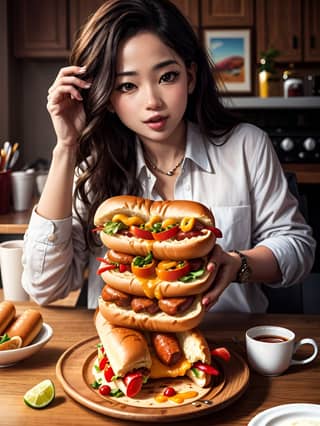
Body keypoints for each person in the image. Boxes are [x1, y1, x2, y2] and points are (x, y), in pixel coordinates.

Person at [22, 0, 315, 311]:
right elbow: (45, 287)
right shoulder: (94, 168)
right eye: (127, 86)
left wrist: (238, 264)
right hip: (120, 345)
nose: (152, 101)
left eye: (167, 77)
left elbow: (298, 249)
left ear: (190, 76)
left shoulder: (247, 146)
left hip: (231, 343)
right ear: (107, 98)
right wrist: (66, 145)